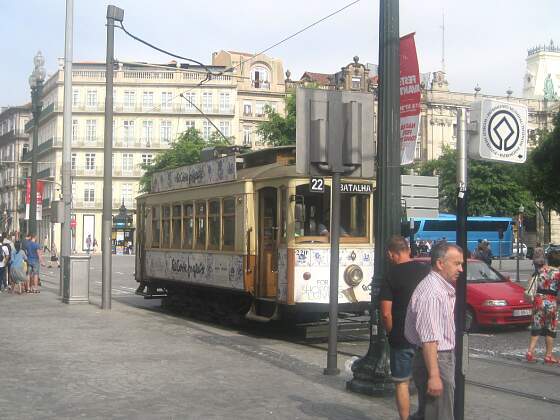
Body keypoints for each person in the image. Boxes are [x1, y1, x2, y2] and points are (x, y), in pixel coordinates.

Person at [405, 242, 463, 420]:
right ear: (440, 264)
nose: (460, 269)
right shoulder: (432, 294)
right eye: (456, 263)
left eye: (461, 264)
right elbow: (429, 339)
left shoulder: (438, 288)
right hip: (436, 360)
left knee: (430, 413)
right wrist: (434, 375)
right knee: (440, 414)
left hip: (437, 359)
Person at [379, 236, 430, 420]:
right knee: (425, 381)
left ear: (392, 254)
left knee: (402, 383)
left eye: (389, 256)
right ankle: (425, 414)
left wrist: (390, 331)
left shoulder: (390, 275)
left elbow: (386, 313)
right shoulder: (425, 270)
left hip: (401, 336)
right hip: (425, 336)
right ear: (408, 250)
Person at [525, 248, 560, 364]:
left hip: (538, 300)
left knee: (536, 326)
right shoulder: (558, 274)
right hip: (551, 302)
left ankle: (530, 351)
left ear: (548, 260)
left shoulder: (540, 270)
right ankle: (548, 355)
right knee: (551, 329)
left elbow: (531, 282)